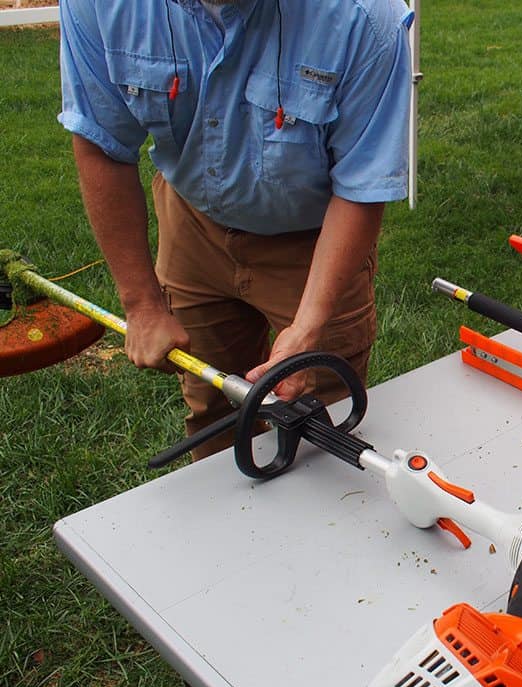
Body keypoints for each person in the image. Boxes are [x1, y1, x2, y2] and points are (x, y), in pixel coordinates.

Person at [58, 0, 413, 458]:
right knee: (214, 410)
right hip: (192, 222)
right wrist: (142, 304)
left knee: (317, 423)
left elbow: (361, 187)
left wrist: (307, 329)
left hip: (314, 239)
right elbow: (102, 144)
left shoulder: (364, 18)